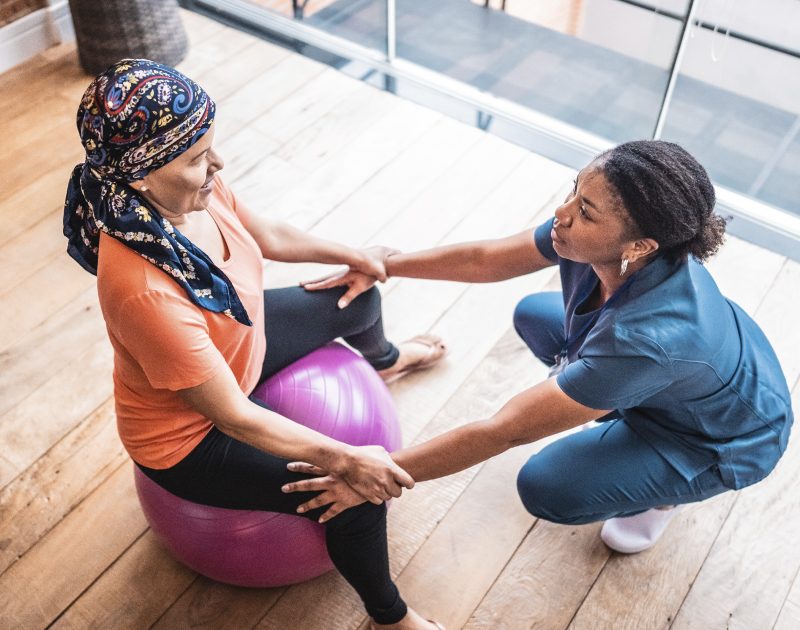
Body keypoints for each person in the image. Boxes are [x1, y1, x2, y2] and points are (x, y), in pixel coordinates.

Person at [62, 59, 446, 629]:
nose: (217, 164)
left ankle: (385, 363)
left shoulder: (194, 189)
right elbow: (233, 416)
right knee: (352, 493)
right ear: (141, 176)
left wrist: (353, 254)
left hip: (239, 346)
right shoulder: (143, 289)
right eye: (198, 157)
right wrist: (346, 457)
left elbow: (266, 235)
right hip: (191, 438)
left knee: (359, 298)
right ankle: (389, 617)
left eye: (210, 147)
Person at [286, 140, 794, 555]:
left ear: (639, 246)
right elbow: (486, 259)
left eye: (585, 211)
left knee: (546, 486)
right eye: (574, 190)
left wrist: (375, 476)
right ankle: (614, 405)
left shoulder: (647, 340)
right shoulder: (593, 241)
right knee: (534, 314)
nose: (562, 213)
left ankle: (661, 495)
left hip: (715, 438)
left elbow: (503, 430)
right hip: (673, 377)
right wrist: (384, 263)